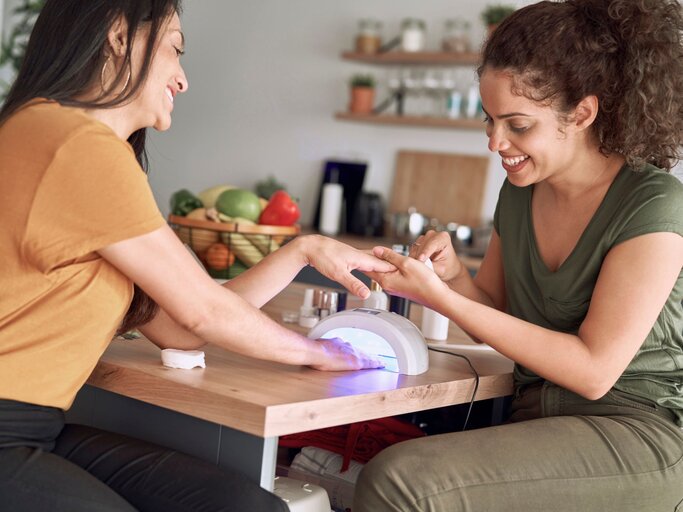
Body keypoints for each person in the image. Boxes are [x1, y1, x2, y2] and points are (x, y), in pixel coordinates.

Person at [0, 1, 394, 510]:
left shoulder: (60, 139)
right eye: (175, 49)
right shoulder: (74, 144)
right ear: (120, 36)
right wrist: (320, 352)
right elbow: (202, 312)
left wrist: (302, 250)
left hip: (31, 429)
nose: (182, 79)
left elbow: (185, 324)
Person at [355, 0, 683, 510]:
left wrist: (442, 300)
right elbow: (494, 311)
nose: (495, 142)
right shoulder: (521, 191)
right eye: (489, 120)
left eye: (517, 125)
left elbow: (594, 372)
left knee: (400, 480)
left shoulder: (653, 202)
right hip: (538, 417)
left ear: (581, 113)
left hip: (636, 429)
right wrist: (453, 279)